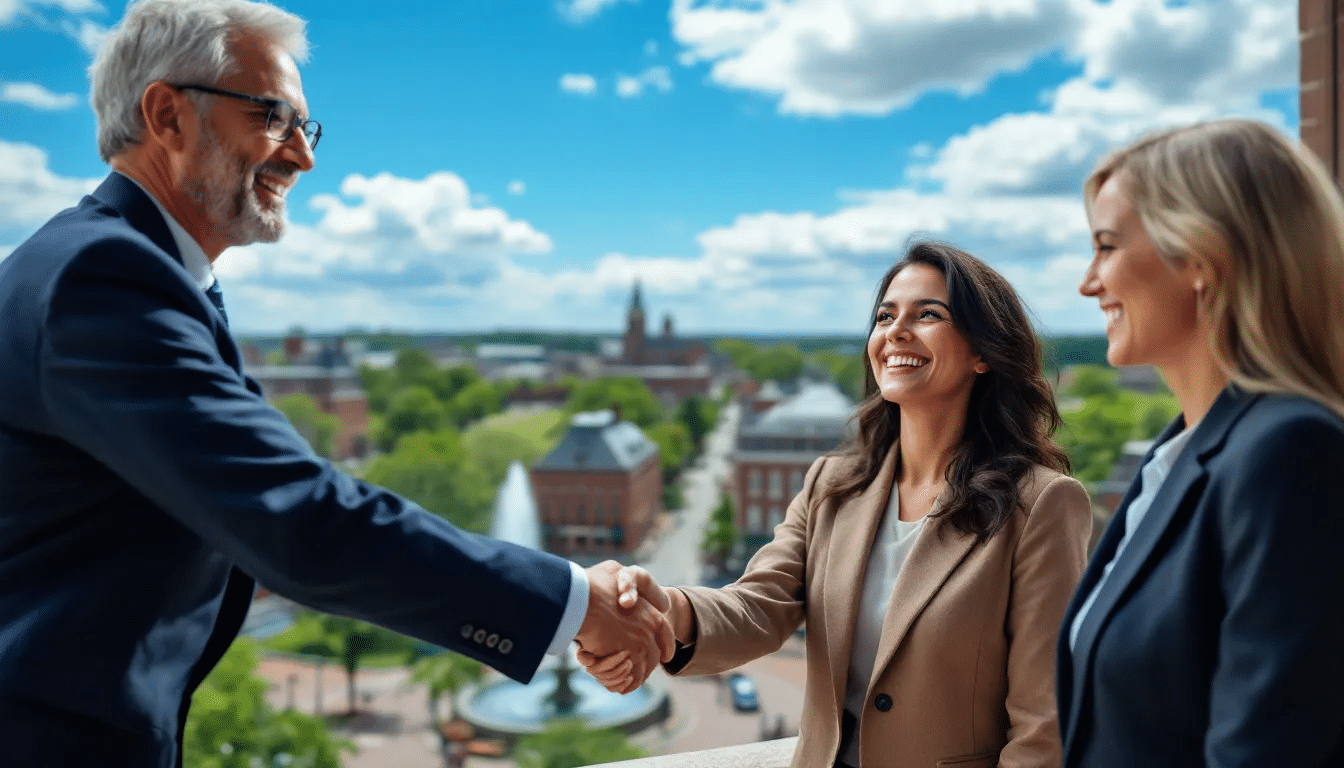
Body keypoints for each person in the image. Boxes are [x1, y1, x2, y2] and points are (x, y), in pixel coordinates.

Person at [0, 1, 671, 764]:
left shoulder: (123, 268)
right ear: (167, 114)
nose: (302, 157)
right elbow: (298, 518)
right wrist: (573, 604)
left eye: (305, 128)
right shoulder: (104, 277)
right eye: (274, 117)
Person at [586, 241, 1094, 768]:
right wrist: (661, 608)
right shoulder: (833, 485)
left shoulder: (1041, 505)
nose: (896, 330)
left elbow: (1044, 727)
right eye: (885, 315)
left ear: (983, 352)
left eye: (928, 315)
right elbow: (759, 607)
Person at [1056, 119, 1344, 767]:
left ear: (1200, 258)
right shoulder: (1177, 455)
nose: (1088, 281)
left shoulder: (1290, 454)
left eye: (1105, 247)